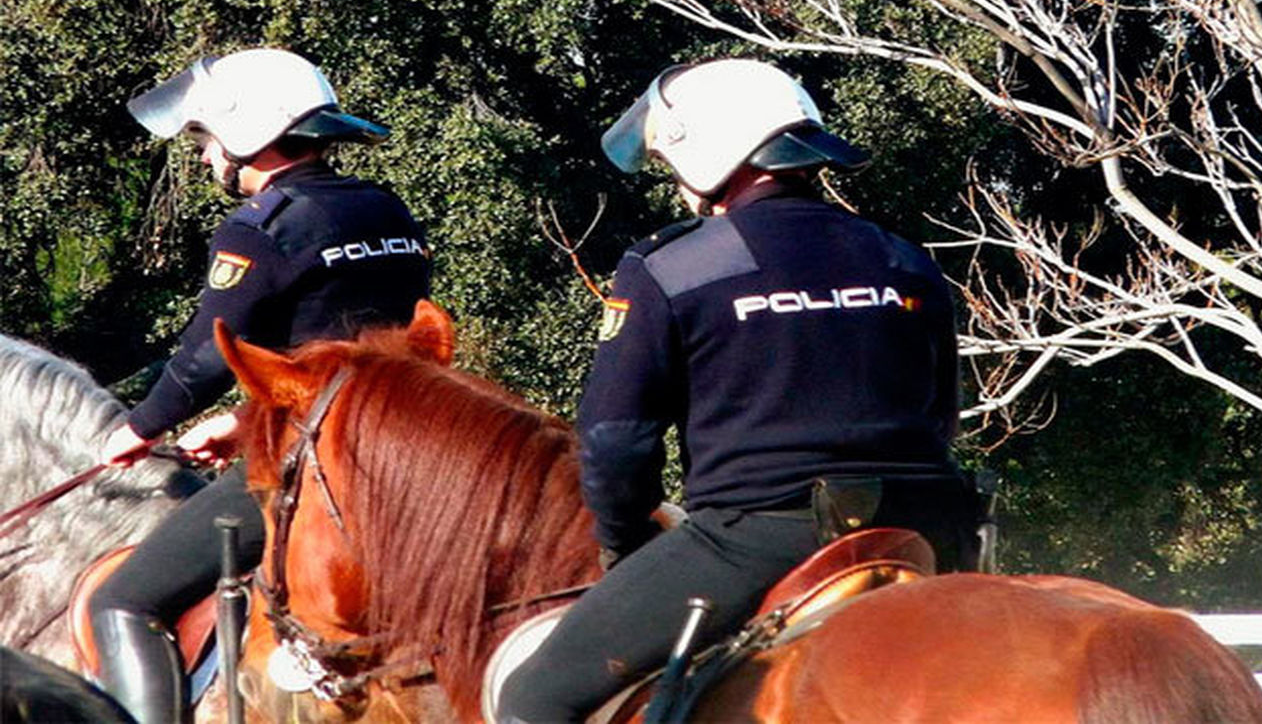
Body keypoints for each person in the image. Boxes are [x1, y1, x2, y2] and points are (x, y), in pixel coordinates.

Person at [496, 59, 980, 722]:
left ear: (704, 152)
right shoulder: (901, 256)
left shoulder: (668, 265)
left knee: (531, 697)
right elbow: (940, 414)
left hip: (755, 539)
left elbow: (615, 442)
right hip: (930, 530)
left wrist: (625, 541)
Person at [90, 48, 432, 723]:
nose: (204, 153)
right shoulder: (384, 210)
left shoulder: (262, 227)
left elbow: (204, 360)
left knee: (122, 601)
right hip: (405, 442)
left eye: (206, 136)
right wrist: (247, 420)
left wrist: (135, 430)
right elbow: (345, 346)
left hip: (314, 462)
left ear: (247, 132)